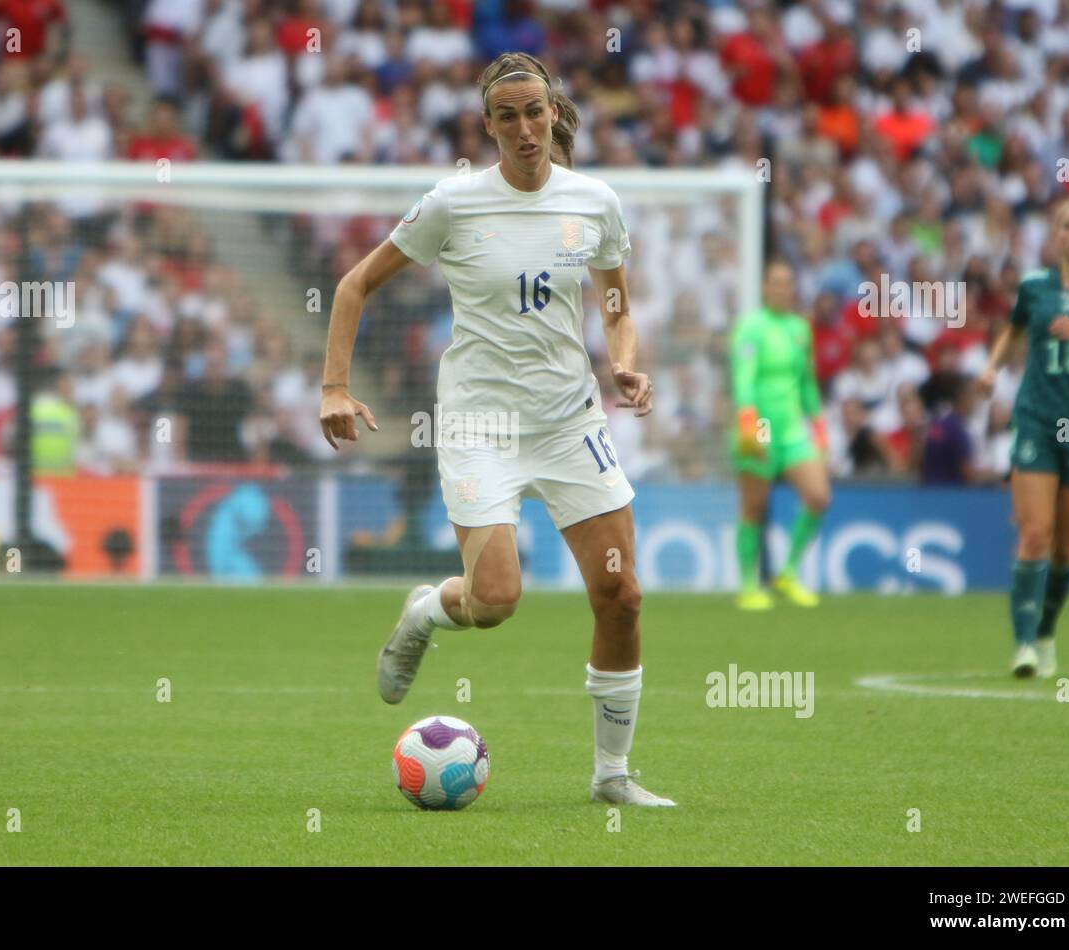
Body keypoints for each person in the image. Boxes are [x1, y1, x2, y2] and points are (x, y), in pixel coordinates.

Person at [319, 52, 672, 807]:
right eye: (506, 117)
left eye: (534, 112)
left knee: (622, 594)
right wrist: (334, 388)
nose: (523, 128)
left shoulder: (595, 202)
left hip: (569, 420)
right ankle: (424, 612)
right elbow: (354, 285)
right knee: (496, 599)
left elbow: (615, 303)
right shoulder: (454, 203)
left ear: (553, 114)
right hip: (479, 424)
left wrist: (623, 361)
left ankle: (612, 774)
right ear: (488, 126)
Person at [979, 197, 1069, 678]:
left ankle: (1046, 630)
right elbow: (1013, 331)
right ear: (1056, 236)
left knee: (1064, 545)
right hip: (1036, 417)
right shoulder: (1035, 286)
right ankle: (1022, 646)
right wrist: (992, 368)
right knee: (1035, 533)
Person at [729, 260, 831, 610]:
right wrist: (748, 424)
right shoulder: (751, 327)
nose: (782, 288)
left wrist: (818, 426)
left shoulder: (800, 329)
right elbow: (744, 378)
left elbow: (807, 383)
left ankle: (787, 573)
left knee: (818, 496)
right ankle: (747, 585)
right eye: (776, 282)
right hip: (760, 424)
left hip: (791, 428)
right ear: (764, 287)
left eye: (788, 283)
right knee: (754, 506)